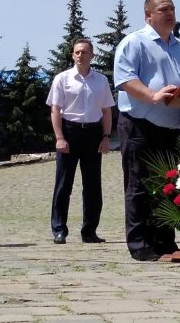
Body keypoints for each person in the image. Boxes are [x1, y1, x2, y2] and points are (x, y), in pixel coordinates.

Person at [113, 0, 180, 261]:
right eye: (164, 9)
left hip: (172, 128)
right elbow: (125, 80)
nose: (170, 13)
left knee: (168, 186)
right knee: (139, 185)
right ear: (148, 15)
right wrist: (153, 96)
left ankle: (165, 242)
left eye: (173, 8)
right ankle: (140, 244)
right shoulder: (134, 42)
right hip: (140, 125)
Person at [46, 39, 115, 245]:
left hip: (93, 133)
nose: (80, 55)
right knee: (63, 184)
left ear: (92, 55)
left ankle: (89, 231)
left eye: (84, 52)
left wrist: (106, 136)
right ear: (72, 55)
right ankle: (59, 229)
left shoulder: (101, 80)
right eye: (77, 52)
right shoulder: (62, 78)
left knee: (93, 185)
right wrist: (59, 137)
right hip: (70, 131)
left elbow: (107, 111)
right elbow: (55, 110)